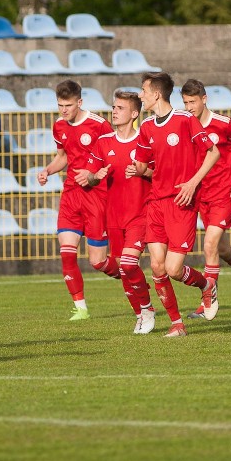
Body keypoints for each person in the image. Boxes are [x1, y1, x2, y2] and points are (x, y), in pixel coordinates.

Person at [133, 72, 220, 337]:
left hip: (181, 203)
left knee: (172, 269)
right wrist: (137, 166)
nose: (141, 96)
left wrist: (193, 182)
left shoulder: (184, 120)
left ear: (157, 94)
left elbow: (213, 152)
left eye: (144, 91)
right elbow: (143, 165)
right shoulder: (146, 127)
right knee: (157, 268)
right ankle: (177, 324)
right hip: (156, 203)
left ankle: (207, 285)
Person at [180, 79, 231, 321]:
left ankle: (207, 302)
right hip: (201, 196)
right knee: (222, 248)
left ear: (204, 99)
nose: (189, 107)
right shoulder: (187, 126)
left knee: (209, 246)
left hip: (223, 194)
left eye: (192, 102)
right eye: (185, 102)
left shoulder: (223, 124)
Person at [37, 79, 119, 321]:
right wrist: (47, 171)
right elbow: (63, 156)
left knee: (98, 262)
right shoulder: (59, 126)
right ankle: (80, 307)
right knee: (67, 252)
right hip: (71, 195)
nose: (64, 110)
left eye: (68, 105)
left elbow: (114, 157)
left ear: (79, 102)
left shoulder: (99, 125)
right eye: (60, 105)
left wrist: (94, 175)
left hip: (97, 196)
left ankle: (128, 274)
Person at [77, 90, 156, 334]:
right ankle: (141, 313)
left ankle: (148, 309)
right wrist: (93, 176)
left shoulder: (145, 141)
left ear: (134, 113)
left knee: (130, 264)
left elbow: (159, 173)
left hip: (140, 213)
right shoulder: (104, 143)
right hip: (114, 217)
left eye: (120, 108)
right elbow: (88, 178)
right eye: (114, 107)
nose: (114, 111)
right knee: (124, 269)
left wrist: (143, 172)